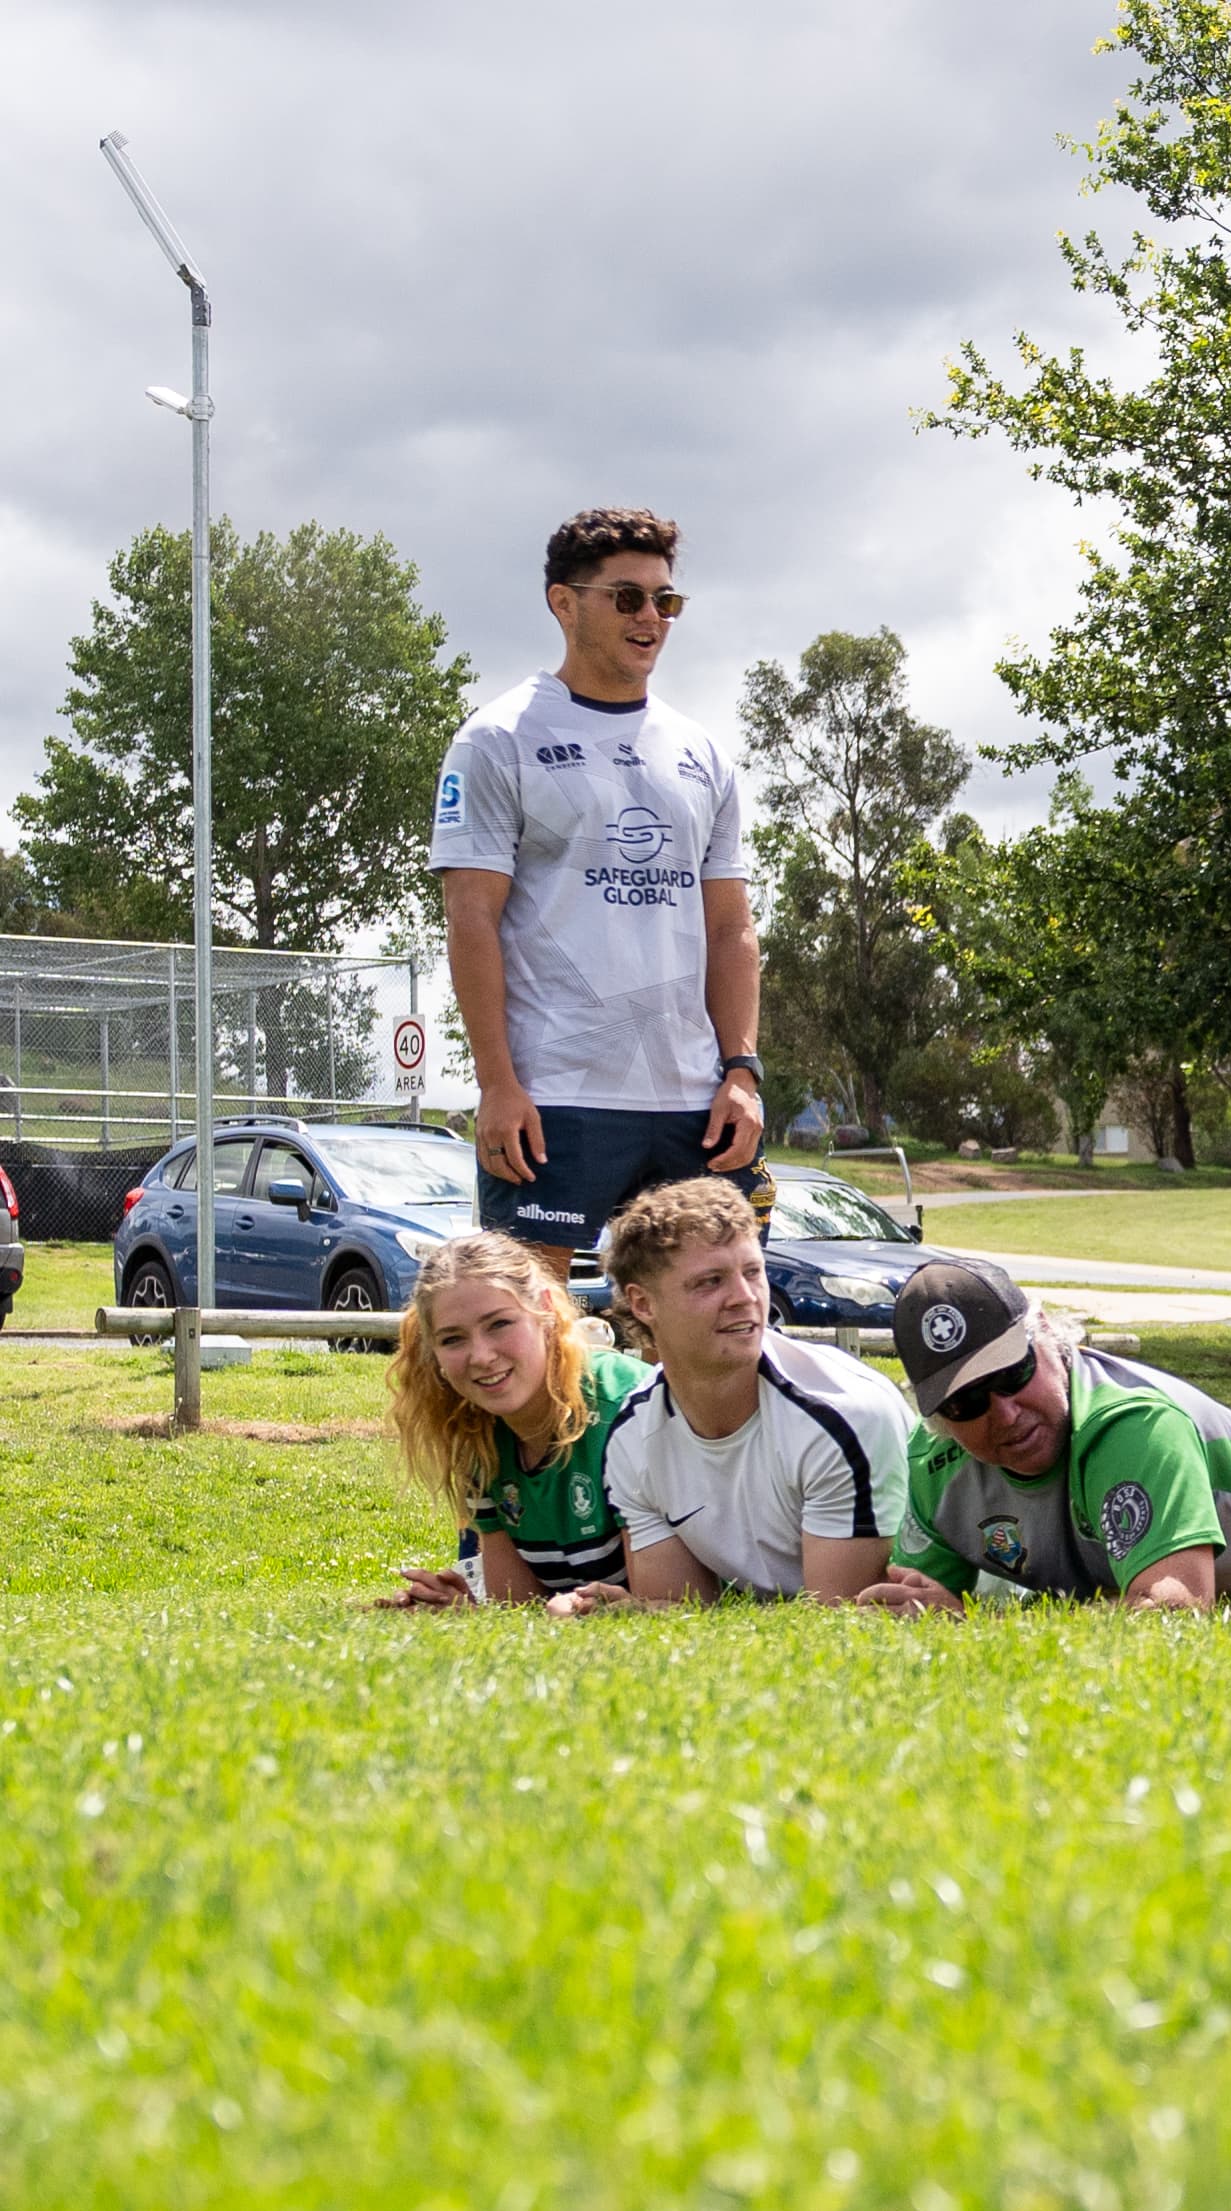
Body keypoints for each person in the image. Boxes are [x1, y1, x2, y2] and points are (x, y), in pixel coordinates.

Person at [432, 507, 767, 1279]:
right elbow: (470, 917)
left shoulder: (702, 752)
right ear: (564, 602)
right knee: (529, 1327)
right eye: (626, 597)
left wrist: (742, 1074)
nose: (650, 617)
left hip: (692, 1103)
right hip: (553, 1097)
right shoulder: (496, 739)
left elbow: (730, 932)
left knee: (712, 1320)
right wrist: (498, 1084)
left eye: (665, 600)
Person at [857, 1258, 1231, 1614]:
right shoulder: (933, 1461)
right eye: (966, 1402)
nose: (1005, 1412)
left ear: (1048, 1332)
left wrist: (980, 1623)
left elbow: (1176, 1607)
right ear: (939, 1419)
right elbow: (919, 1605)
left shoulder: (1134, 1423)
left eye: (1012, 1372)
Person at [571, 1179, 906, 1609]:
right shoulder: (632, 1439)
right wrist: (620, 1613)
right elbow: (684, 1614)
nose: (745, 1298)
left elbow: (841, 1620)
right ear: (642, 1303)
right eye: (710, 1282)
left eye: (753, 1272)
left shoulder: (844, 1415)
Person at [367, 1231, 650, 1610]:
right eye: (452, 1339)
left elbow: (670, 1601)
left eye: (499, 1324)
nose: (481, 1356)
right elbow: (519, 1605)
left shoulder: (626, 1406)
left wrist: (605, 1612)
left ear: (546, 1311)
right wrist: (463, 1612)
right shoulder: (477, 1434)